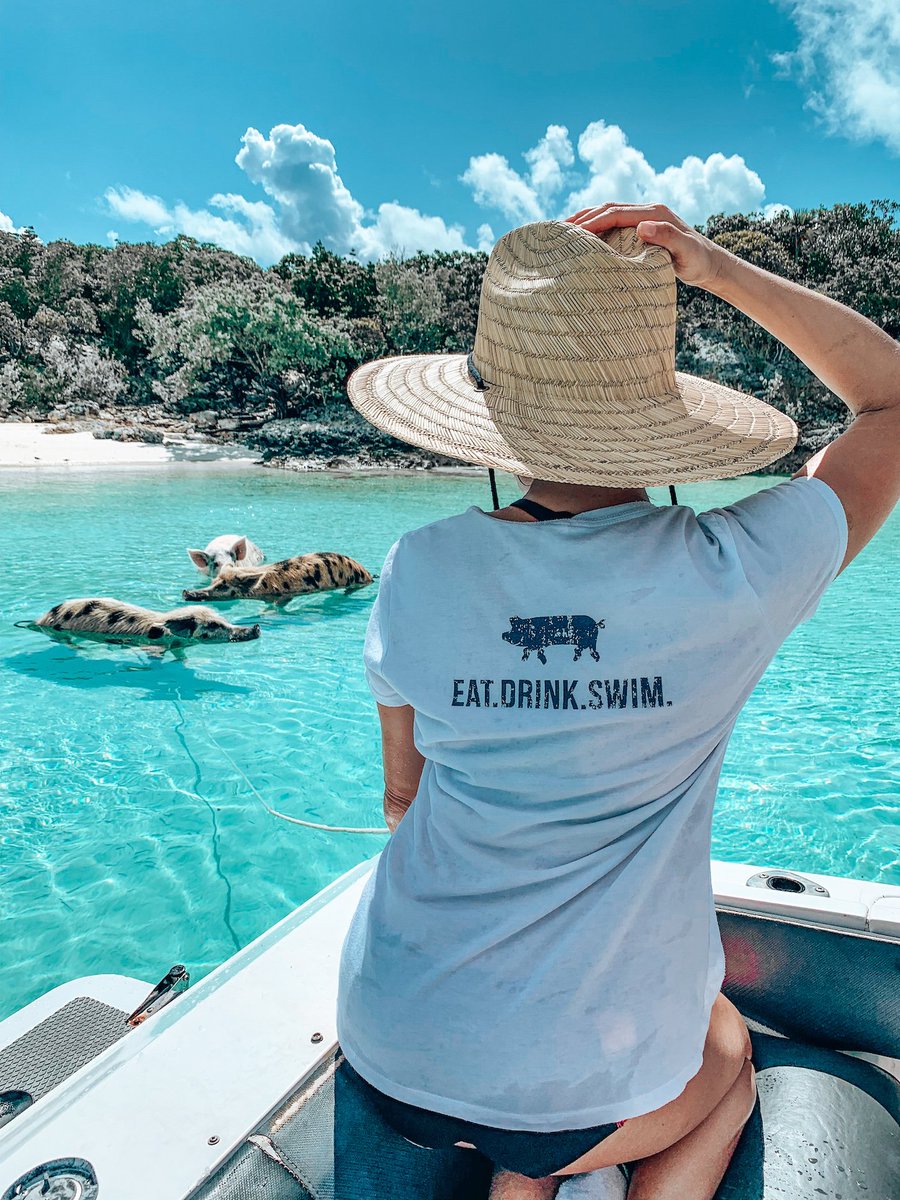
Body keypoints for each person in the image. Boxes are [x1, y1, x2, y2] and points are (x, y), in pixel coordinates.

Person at [336, 204, 900, 1200]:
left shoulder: (417, 567)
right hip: (565, 1088)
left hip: (391, 1042)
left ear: (496, 424)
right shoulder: (738, 573)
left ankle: (526, 1178)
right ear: (656, 415)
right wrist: (719, 269)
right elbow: (891, 401)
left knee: (552, 1080)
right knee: (724, 1051)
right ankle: (539, 1169)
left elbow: (403, 802)